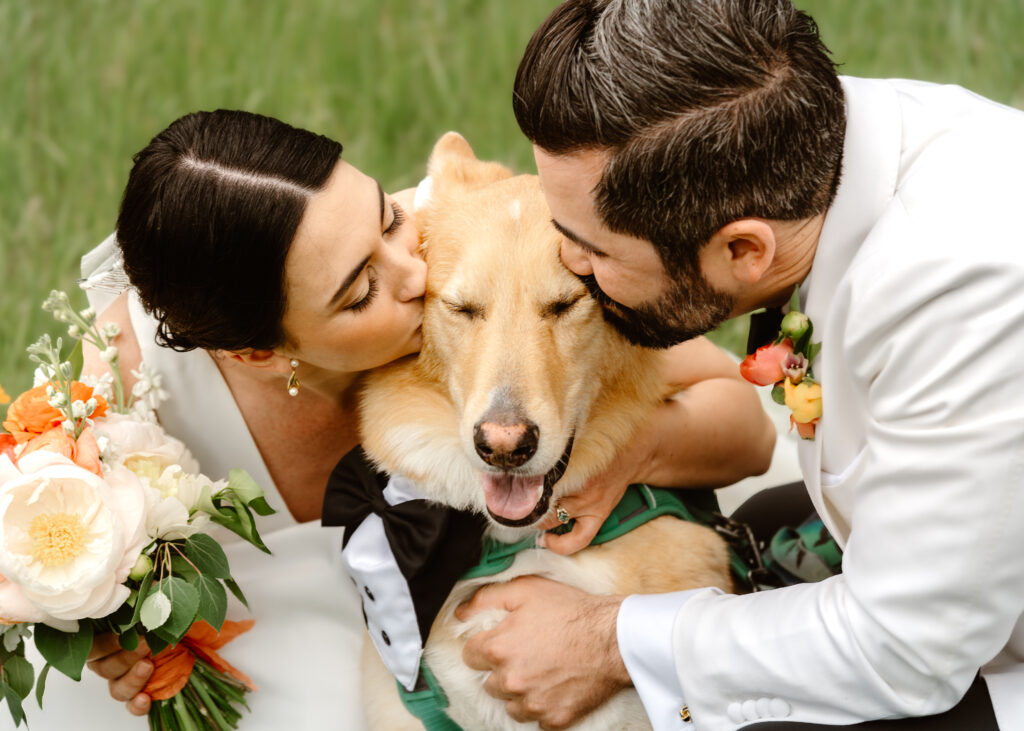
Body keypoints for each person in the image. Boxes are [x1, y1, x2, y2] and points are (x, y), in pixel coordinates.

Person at [23, 109, 774, 729]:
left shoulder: (457, 258)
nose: (415, 272)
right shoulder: (119, 388)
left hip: (458, 573)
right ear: (261, 352)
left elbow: (741, 413)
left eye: (387, 216)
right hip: (271, 601)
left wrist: (620, 457)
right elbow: (45, 537)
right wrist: (112, 624)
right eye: (360, 292)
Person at [455, 1, 1024, 729]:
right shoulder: (802, 148)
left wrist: (607, 638)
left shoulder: (963, 290)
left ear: (744, 251)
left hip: (961, 654)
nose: (570, 264)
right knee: (761, 526)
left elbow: (905, 650)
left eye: (592, 251)